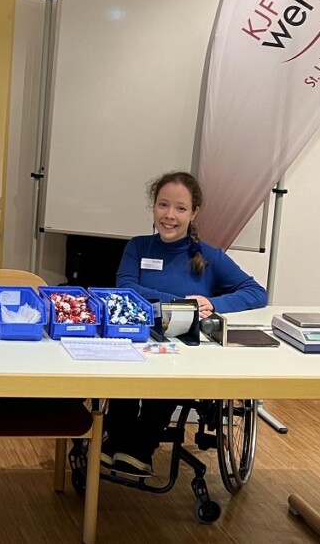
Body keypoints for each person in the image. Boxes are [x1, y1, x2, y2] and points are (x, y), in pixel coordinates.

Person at [103, 171, 267, 477]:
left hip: (179, 350)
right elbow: (126, 289)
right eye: (163, 205)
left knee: (170, 373)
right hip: (136, 340)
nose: (169, 215)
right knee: (123, 374)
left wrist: (213, 303)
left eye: (180, 208)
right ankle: (118, 440)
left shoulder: (209, 256)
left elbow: (257, 293)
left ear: (194, 213)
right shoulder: (138, 247)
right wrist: (181, 302)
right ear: (153, 206)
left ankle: (140, 448)